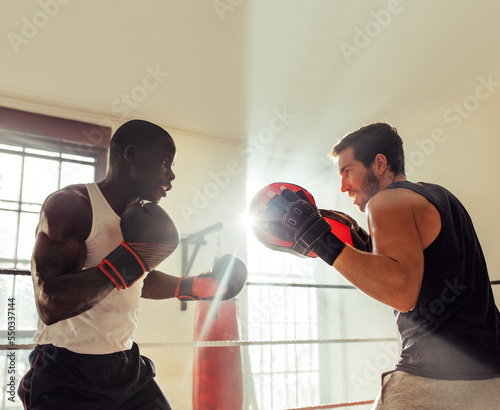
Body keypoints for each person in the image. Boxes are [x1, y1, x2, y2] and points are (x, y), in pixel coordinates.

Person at [255, 122, 500, 409]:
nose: (344, 186)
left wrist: (318, 239)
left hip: (433, 382)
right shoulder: (441, 197)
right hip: (490, 379)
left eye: (348, 171)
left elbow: (401, 293)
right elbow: (425, 271)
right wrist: (363, 249)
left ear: (380, 163)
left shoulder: (385, 202)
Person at [18, 119, 247, 410]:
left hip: (124, 365)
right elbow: (51, 303)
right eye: (165, 162)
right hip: (66, 371)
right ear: (131, 155)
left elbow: (136, 280)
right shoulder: (72, 205)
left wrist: (194, 287)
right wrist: (132, 258)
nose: (172, 175)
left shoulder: (138, 220)